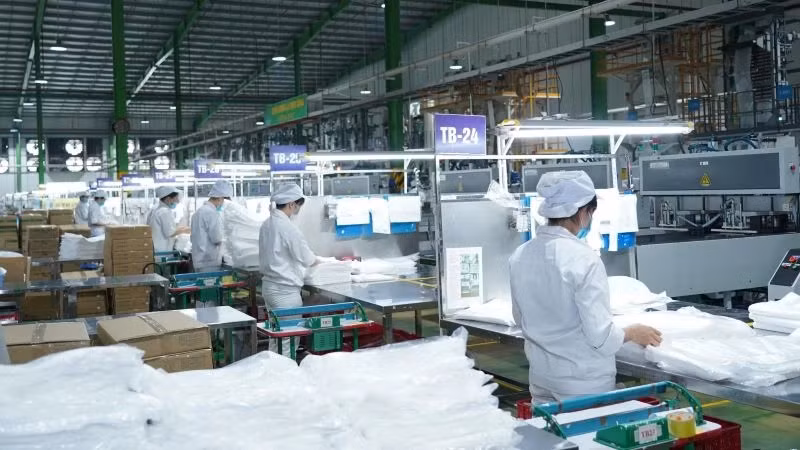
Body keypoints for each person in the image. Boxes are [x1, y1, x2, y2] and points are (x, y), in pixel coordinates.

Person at [509, 171, 662, 403]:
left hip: (541, 378)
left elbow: (520, 318)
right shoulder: (584, 259)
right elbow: (600, 336)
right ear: (583, 212)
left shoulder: (520, 255)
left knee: (551, 428)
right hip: (582, 382)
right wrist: (632, 332)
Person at [259, 183, 321, 354]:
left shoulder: (267, 224)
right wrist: (321, 262)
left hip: (270, 288)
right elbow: (306, 258)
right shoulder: (288, 228)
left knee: (276, 337)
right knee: (289, 340)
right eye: (298, 205)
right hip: (285, 292)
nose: (298, 209)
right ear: (291, 204)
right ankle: (285, 371)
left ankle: (273, 368)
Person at [190, 180, 230, 272]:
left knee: (201, 281)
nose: (223, 203)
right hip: (209, 261)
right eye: (223, 200)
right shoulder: (211, 213)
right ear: (220, 198)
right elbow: (217, 239)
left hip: (199, 259)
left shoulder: (198, 212)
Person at [148, 186, 189, 253]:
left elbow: (167, 228)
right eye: (176, 198)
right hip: (162, 250)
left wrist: (181, 229)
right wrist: (184, 230)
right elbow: (170, 233)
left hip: (157, 248)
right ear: (168, 199)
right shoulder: (165, 211)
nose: (178, 201)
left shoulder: (156, 209)